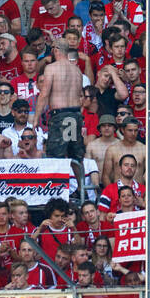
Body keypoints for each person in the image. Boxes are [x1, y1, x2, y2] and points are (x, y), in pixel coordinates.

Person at [34, 38, 87, 196]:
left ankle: (55, 191)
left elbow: (44, 94)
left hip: (61, 116)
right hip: (75, 115)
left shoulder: (52, 68)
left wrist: (36, 116)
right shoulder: (76, 70)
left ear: (55, 49)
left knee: (56, 155)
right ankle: (80, 188)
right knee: (74, 154)